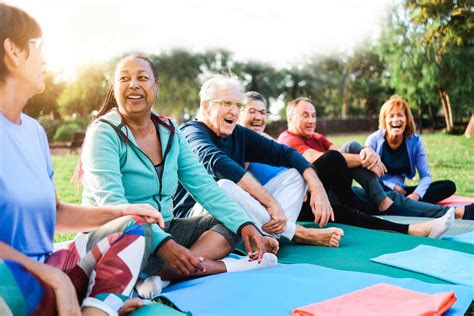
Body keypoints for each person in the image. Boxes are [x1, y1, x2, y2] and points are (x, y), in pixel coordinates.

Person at [0, 4, 168, 315]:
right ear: (13, 50)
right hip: (8, 278)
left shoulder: (34, 132)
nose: (45, 58)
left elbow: (56, 214)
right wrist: (55, 280)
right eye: (38, 47)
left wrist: (124, 211)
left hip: (45, 271)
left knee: (132, 227)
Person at [77, 55, 275, 294]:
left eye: (142, 78)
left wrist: (245, 224)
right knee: (143, 241)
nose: (134, 84)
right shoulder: (104, 132)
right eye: (124, 79)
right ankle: (225, 267)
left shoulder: (169, 130)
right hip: (117, 235)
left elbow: (204, 185)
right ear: (115, 88)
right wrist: (163, 244)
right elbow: (113, 204)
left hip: (166, 228)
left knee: (230, 222)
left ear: (155, 87)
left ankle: (161, 275)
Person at [174, 75, 348, 248]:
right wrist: (271, 203)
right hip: (194, 218)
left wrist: (317, 186)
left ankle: (270, 237)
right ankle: (297, 233)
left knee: (295, 175)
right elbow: (217, 163)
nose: (234, 111)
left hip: (236, 218)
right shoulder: (190, 132)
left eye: (238, 105)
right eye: (226, 103)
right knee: (224, 185)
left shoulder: (238, 133)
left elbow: (287, 153)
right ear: (206, 106)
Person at [277, 97, 455, 237]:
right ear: (291, 118)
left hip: (342, 191)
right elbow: (323, 159)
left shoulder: (316, 137)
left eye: (314, 115)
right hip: (316, 199)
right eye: (305, 115)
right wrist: (366, 156)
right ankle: (447, 211)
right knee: (384, 192)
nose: (311, 120)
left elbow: (340, 156)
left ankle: (448, 211)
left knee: (353, 149)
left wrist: (365, 152)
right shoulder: (288, 139)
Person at [367, 95, 456, 204]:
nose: (396, 119)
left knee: (448, 186)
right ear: (384, 120)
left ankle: (404, 202)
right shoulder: (373, 140)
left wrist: (415, 195)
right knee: (371, 191)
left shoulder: (415, 141)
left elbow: (426, 176)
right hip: (380, 189)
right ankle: (400, 203)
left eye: (400, 115)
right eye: (391, 116)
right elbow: (368, 175)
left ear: (406, 120)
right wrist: (392, 187)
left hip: (403, 191)